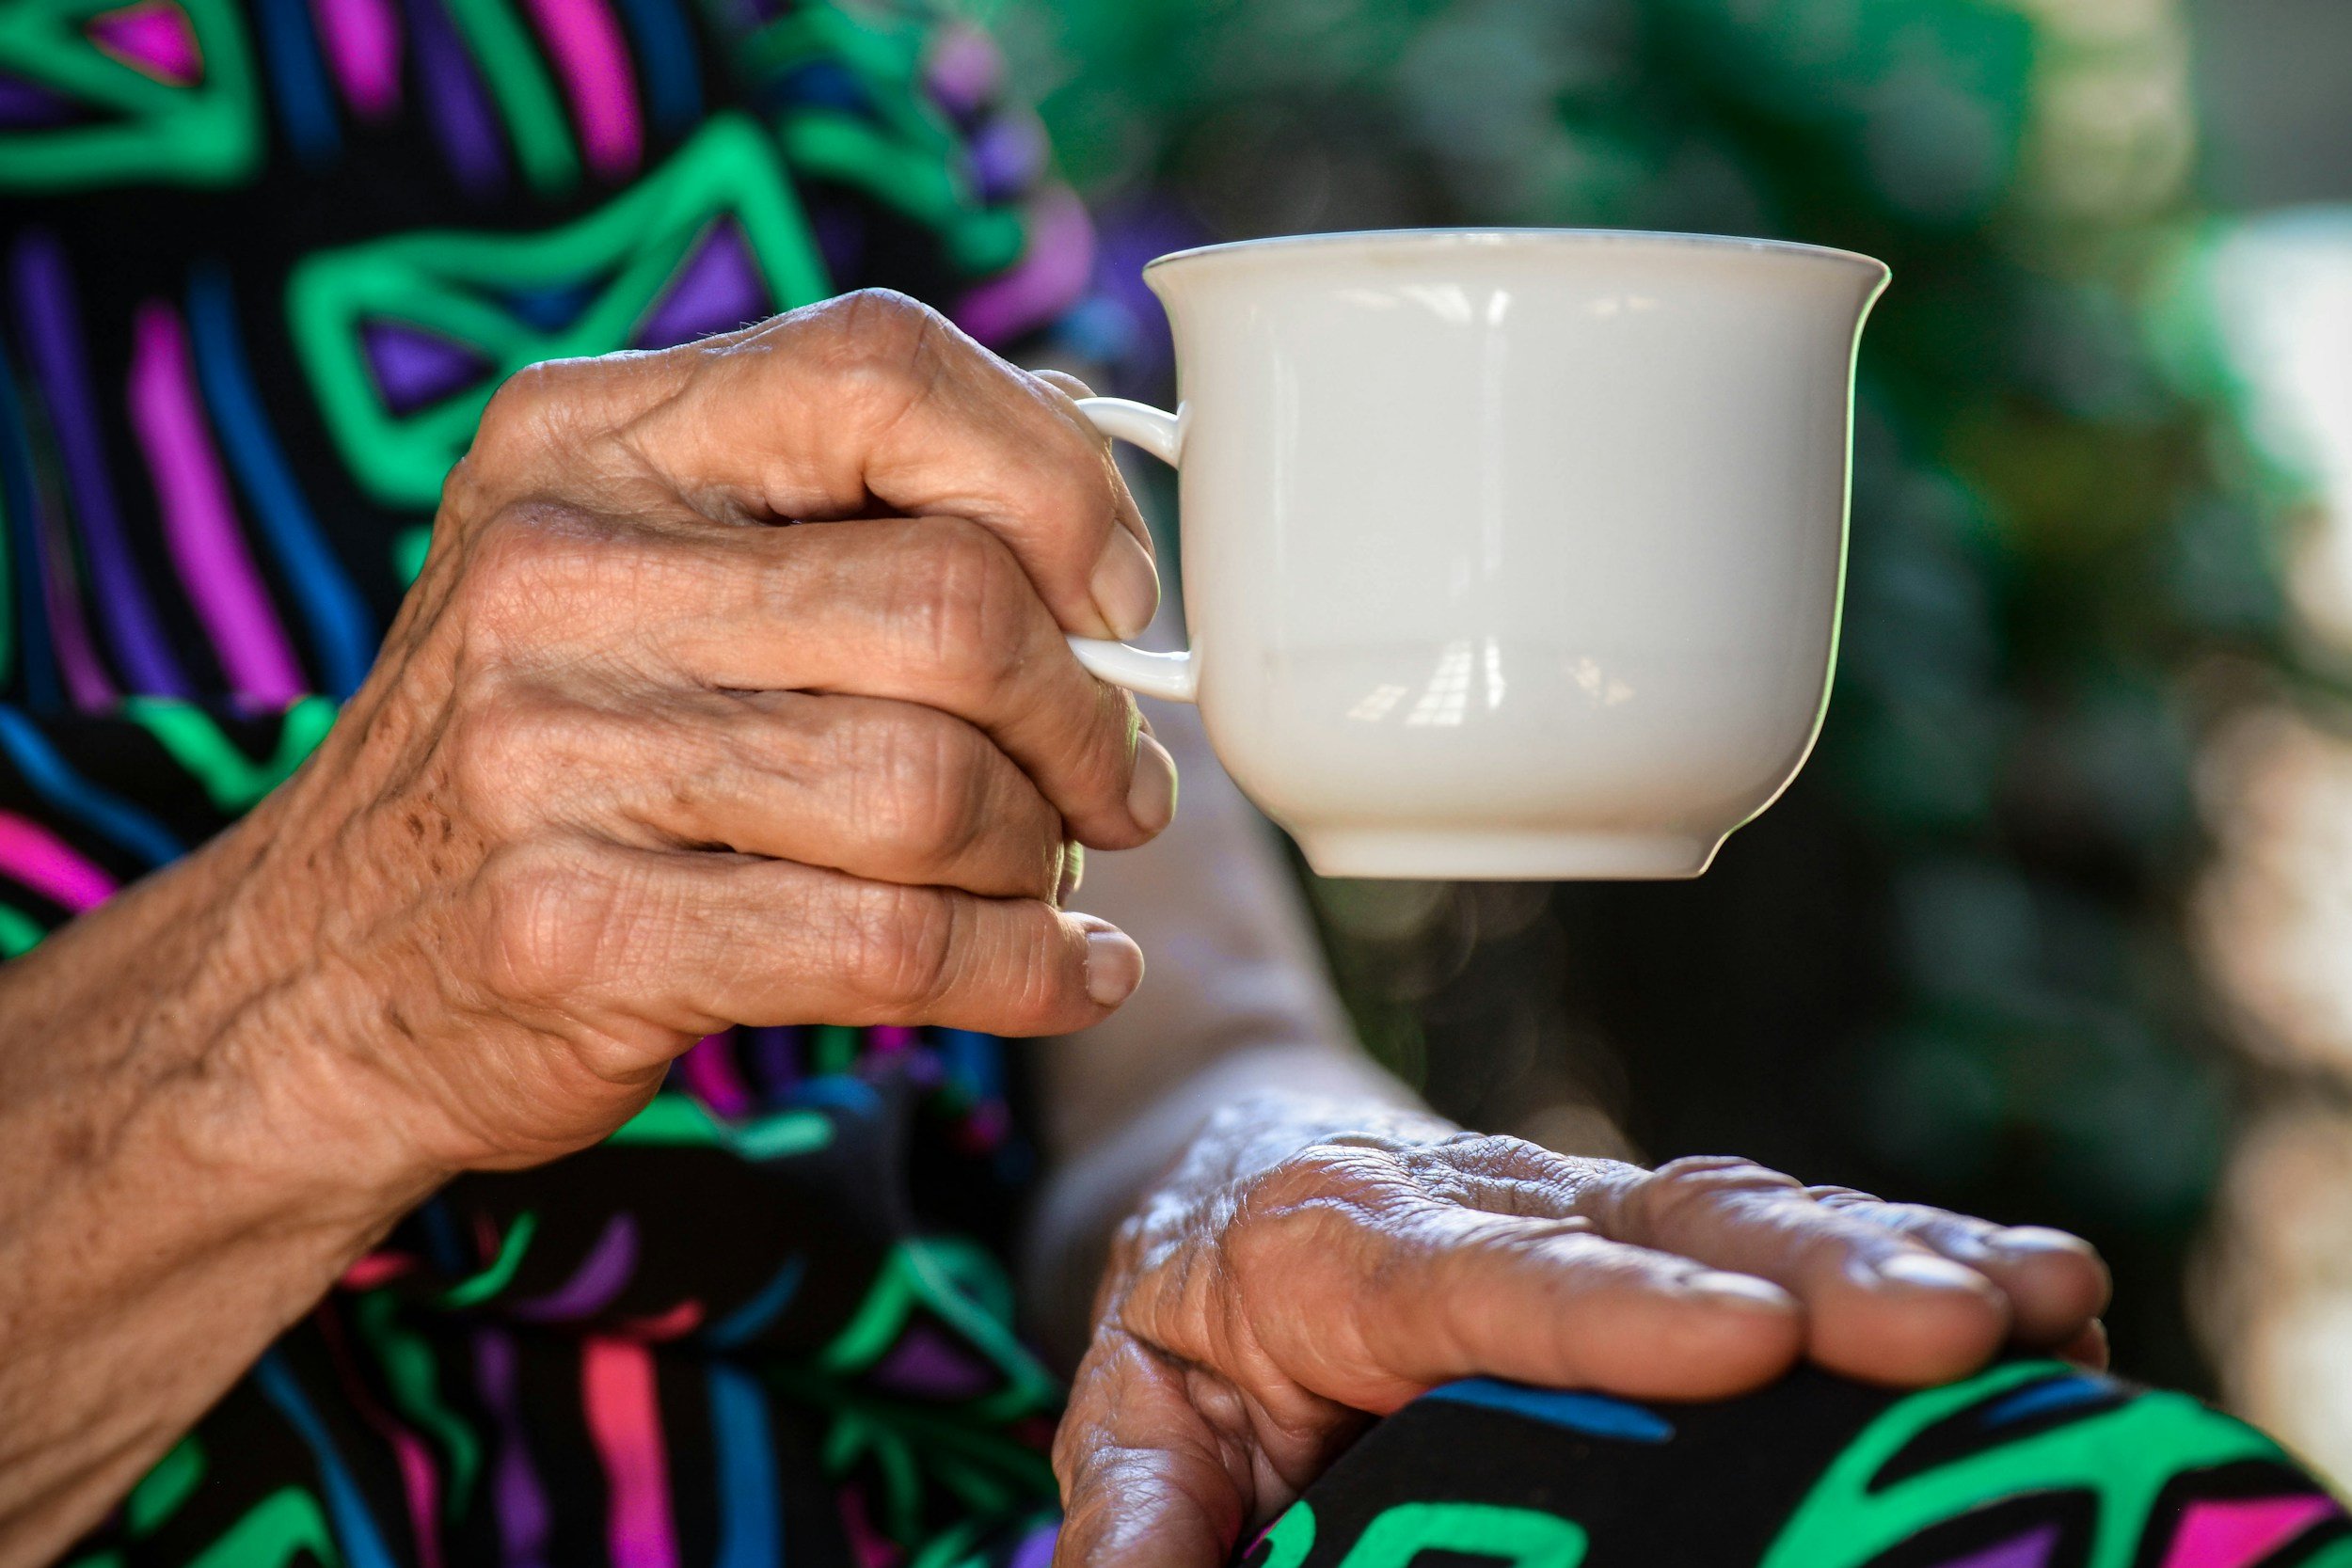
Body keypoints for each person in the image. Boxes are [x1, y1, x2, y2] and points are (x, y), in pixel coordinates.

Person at [0, 4, 2338, 1568]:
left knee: (2025, 1507)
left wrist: (1251, 1169)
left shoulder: (794, 61)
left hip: (1014, 1502)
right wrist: (296, 1014)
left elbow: (1165, 998)